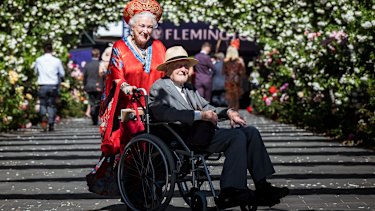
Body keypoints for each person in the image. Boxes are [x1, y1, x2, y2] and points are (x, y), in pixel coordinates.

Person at [149, 46, 289, 209]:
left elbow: (207, 106)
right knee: (237, 137)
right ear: (167, 69)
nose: (183, 69)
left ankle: (262, 186)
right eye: (178, 65)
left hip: (200, 135)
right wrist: (199, 115)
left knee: (250, 132)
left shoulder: (189, 89)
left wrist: (228, 112)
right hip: (181, 137)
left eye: (186, 65)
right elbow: (164, 113)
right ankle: (231, 191)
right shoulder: (159, 87)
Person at [99, 0, 165, 156]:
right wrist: (125, 87)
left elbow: (166, 72)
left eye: (150, 27)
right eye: (142, 26)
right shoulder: (120, 47)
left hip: (155, 105)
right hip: (129, 105)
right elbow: (116, 75)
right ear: (132, 26)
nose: (146, 31)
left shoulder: (159, 47)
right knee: (129, 147)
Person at [34, 42, 65, 132]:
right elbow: (62, 73)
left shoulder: (39, 60)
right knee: (52, 104)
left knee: (43, 103)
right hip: (53, 85)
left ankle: (43, 116)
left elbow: (36, 72)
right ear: (52, 50)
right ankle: (51, 122)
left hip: (42, 84)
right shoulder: (57, 60)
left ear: (44, 50)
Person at [223, 45, 246, 110]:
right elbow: (243, 73)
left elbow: (222, 72)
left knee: (230, 100)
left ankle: (230, 113)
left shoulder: (226, 61)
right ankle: (236, 113)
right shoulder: (239, 61)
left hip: (228, 81)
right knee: (236, 99)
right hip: (236, 81)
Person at [83, 48, 102, 125]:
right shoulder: (100, 64)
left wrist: (84, 85)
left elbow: (85, 76)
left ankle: (93, 116)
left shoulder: (87, 64)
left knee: (91, 101)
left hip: (89, 86)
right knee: (97, 103)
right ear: (98, 55)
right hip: (98, 86)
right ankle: (94, 114)